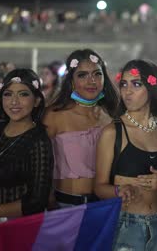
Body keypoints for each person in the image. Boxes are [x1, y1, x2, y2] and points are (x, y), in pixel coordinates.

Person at [0, 69, 54, 250]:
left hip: (20, 227)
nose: (14, 102)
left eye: (23, 94)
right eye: (8, 94)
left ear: (37, 101)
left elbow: (37, 201)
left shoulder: (38, 140)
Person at [95, 60, 157, 250]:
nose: (127, 91)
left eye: (136, 84)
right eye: (124, 84)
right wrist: (118, 191)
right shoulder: (113, 132)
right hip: (126, 226)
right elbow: (98, 187)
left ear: (151, 88)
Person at [43, 49, 119, 207]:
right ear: (71, 80)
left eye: (97, 74)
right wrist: (48, 202)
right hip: (65, 206)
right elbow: (40, 166)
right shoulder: (54, 115)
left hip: (106, 207)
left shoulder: (112, 115)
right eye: (82, 75)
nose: (91, 81)